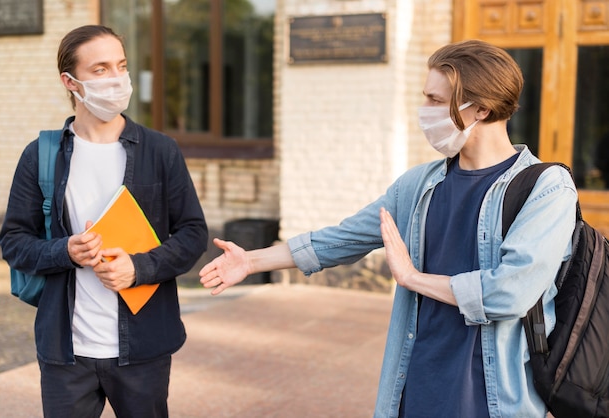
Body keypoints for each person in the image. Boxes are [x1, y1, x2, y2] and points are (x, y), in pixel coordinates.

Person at [199, 39, 578, 417]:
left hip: (493, 399)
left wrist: (412, 278)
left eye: (434, 100)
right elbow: (341, 239)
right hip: (416, 388)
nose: (423, 111)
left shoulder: (545, 189)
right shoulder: (417, 185)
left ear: (481, 108)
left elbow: (508, 293)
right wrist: (250, 261)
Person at [0, 25, 207, 418]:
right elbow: (13, 241)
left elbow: (193, 233)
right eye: (100, 69)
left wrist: (139, 267)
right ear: (71, 81)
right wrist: (66, 250)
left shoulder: (160, 150)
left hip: (143, 349)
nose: (116, 79)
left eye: (121, 66)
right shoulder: (41, 155)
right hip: (66, 352)